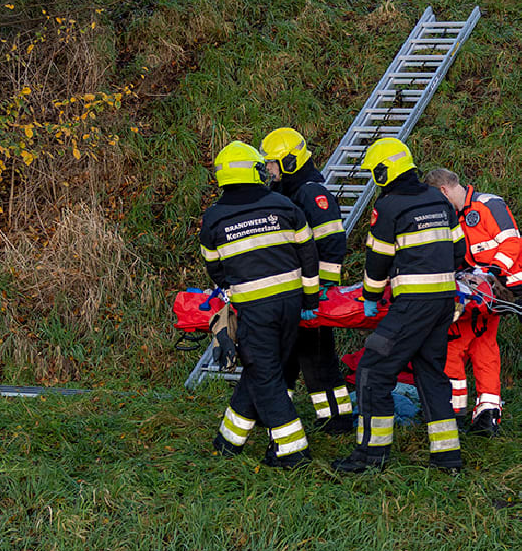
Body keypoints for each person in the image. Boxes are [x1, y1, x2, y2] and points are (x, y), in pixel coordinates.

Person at [331, 137, 469, 473]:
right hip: (442, 304)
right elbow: (458, 251)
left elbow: (377, 260)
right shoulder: (438, 199)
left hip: (412, 307)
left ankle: (370, 456)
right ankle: (447, 457)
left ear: (383, 172)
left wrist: (370, 298)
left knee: (372, 372)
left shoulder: (390, 206)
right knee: (431, 375)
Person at [199, 140, 321, 468]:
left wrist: (234, 287)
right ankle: (228, 440)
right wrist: (310, 297)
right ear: (255, 171)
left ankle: (292, 451)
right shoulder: (283, 204)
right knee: (264, 369)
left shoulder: (213, 218)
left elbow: (216, 269)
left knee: (264, 374)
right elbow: (308, 254)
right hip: (292, 303)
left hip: (255, 308)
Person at [425, 167, 522, 435]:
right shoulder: (461, 215)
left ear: (443, 191)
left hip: (498, 289)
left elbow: (511, 243)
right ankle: (487, 414)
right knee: (484, 349)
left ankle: (454, 414)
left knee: (456, 346)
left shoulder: (487, 206)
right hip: (485, 293)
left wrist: (488, 275)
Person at [261, 126, 354, 435]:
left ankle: (336, 419)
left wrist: (321, 291)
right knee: (284, 356)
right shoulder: (284, 192)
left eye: (273, 163)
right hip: (291, 291)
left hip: (312, 293)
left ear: (290, 162)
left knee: (318, 359)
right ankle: (274, 412)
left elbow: (331, 243)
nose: (269, 169)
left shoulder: (311, 194)